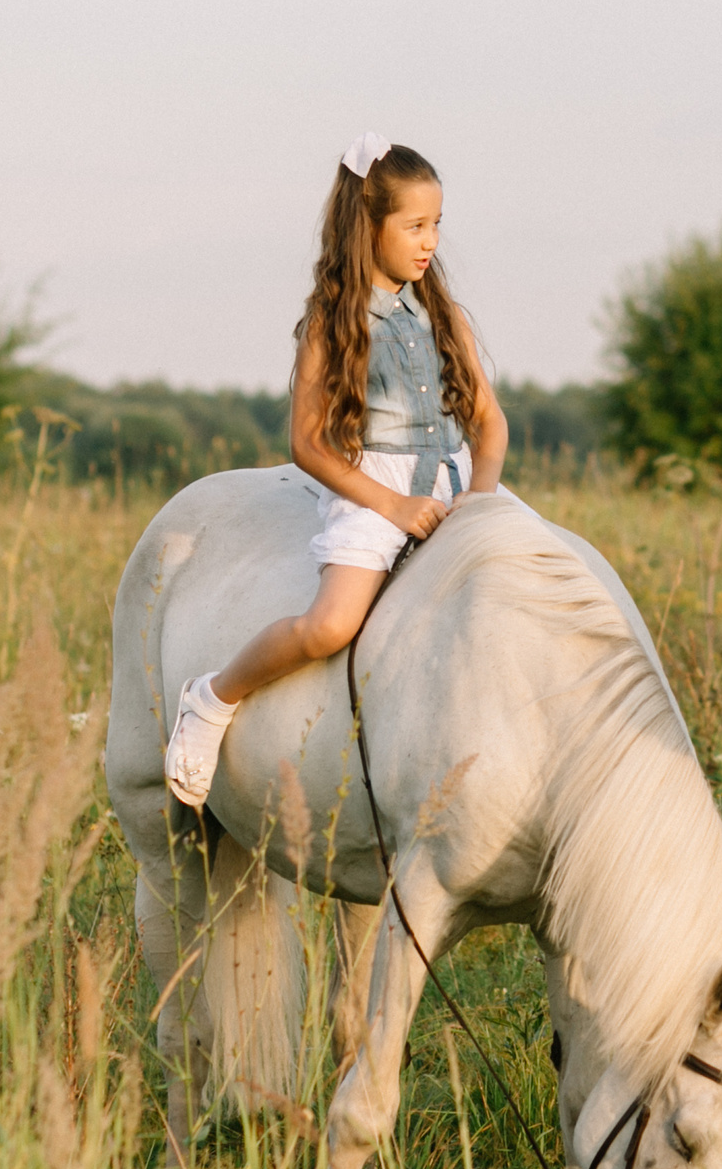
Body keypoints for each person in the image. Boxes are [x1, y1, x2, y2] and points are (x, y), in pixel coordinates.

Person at [165, 134, 510, 805]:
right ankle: (211, 700)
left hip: (457, 486)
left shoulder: (445, 315)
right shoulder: (334, 318)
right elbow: (308, 446)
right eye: (414, 225)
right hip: (371, 492)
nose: (430, 240)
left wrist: (481, 500)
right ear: (368, 225)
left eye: (436, 224)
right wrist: (393, 506)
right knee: (330, 627)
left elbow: (490, 424)